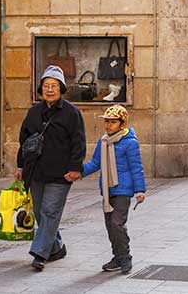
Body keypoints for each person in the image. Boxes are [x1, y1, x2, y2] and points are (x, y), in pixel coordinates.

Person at [16, 65, 86, 271]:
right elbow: (24, 141)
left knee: (50, 211)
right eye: (46, 85)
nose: (49, 89)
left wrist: (75, 168)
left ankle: (40, 253)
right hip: (36, 171)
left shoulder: (71, 113)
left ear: (61, 88)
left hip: (61, 173)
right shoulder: (33, 112)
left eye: (54, 85)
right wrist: (20, 166)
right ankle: (56, 248)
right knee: (40, 212)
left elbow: (79, 142)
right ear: (41, 89)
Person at [82, 105, 146, 274]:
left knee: (117, 223)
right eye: (107, 122)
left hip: (123, 190)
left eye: (113, 122)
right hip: (107, 190)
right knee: (110, 226)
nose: (108, 125)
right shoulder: (103, 141)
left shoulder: (130, 143)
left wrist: (140, 190)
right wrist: (78, 172)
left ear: (122, 124)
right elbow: (95, 163)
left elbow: (136, 167)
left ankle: (125, 257)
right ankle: (117, 257)